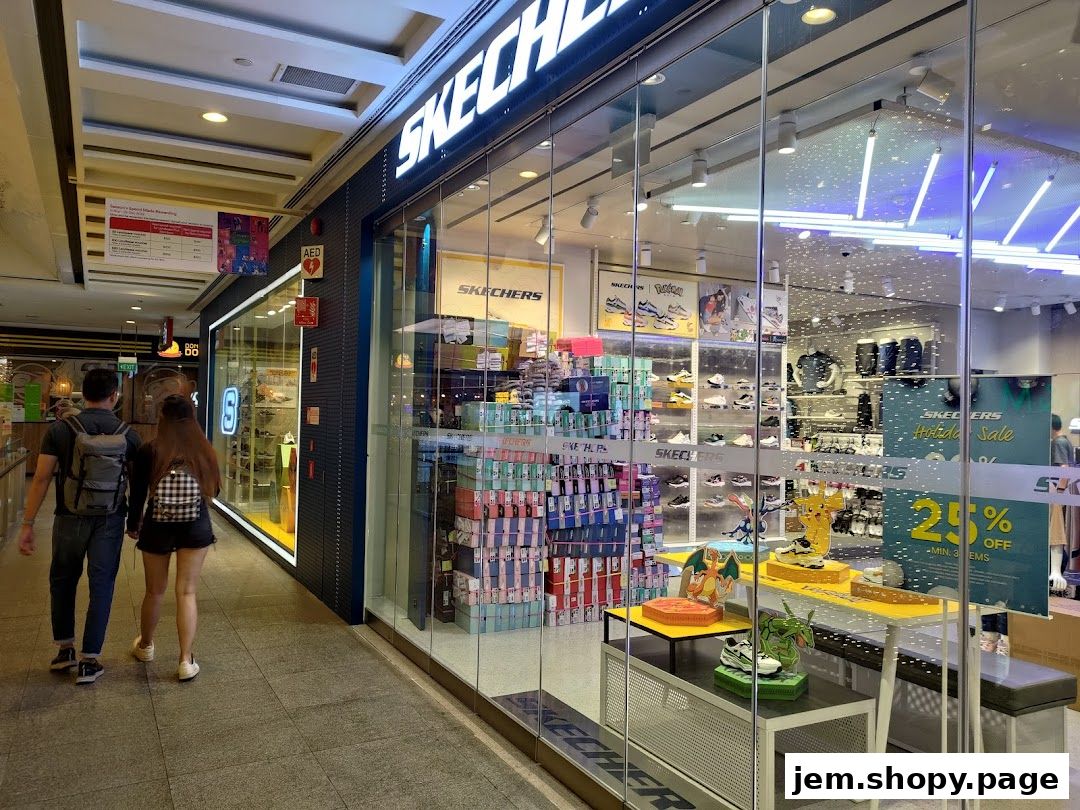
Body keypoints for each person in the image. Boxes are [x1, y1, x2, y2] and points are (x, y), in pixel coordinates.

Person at [17, 369, 141, 684]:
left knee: (62, 580)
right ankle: (90, 660)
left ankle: (65, 650)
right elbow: (139, 483)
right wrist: (135, 521)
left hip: (68, 516)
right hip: (111, 520)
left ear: (82, 394)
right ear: (114, 396)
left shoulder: (61, 430)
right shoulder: (128, 434)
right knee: (102, 585)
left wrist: (28, 523)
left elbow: (42, 478)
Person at [126, 394, 220, 681]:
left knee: (154, 591)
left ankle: (146, 645)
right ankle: (185, 660)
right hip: (195, 525)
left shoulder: (150, 450)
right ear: (192, 418)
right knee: (187, 592)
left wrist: (133, 525)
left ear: (162, 418)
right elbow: (214, 492)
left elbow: (138, 494)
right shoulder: (204, 450)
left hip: (158, 525)